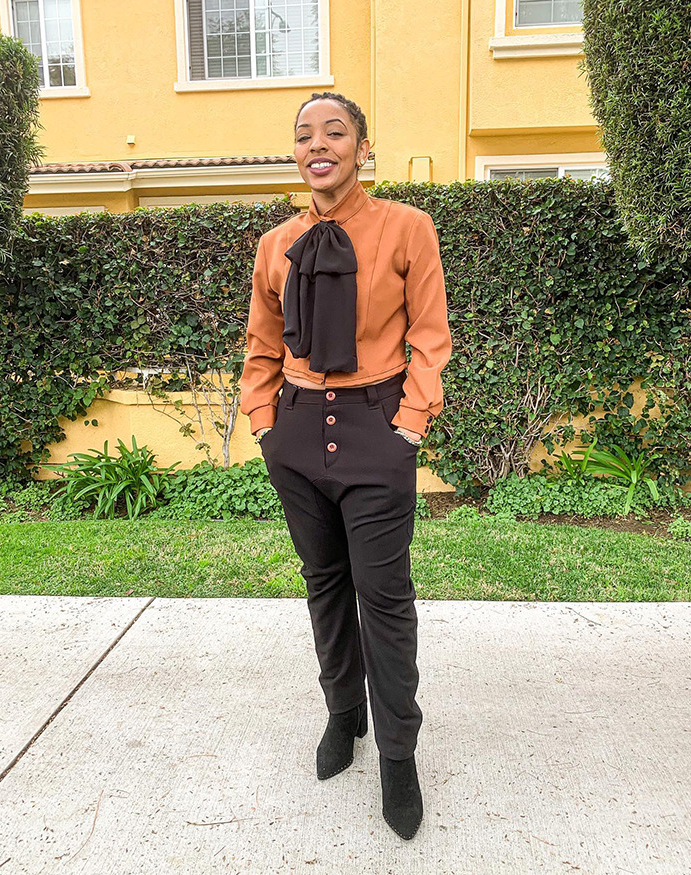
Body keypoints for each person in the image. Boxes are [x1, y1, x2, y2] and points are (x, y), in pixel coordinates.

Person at [239, 91, 452, 841]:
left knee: (384, 597)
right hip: (295, 433)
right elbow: (262, 346)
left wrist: (408, 427)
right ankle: (343, 713)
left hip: (375, 429)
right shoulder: (276, 243)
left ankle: (398, 752)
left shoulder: (406, 228)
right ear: (296, 153)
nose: (317, 143)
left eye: (335, 131)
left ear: (363, 147)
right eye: (304, 135)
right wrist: (265, 424)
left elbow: (430, 336)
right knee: (324, 584)